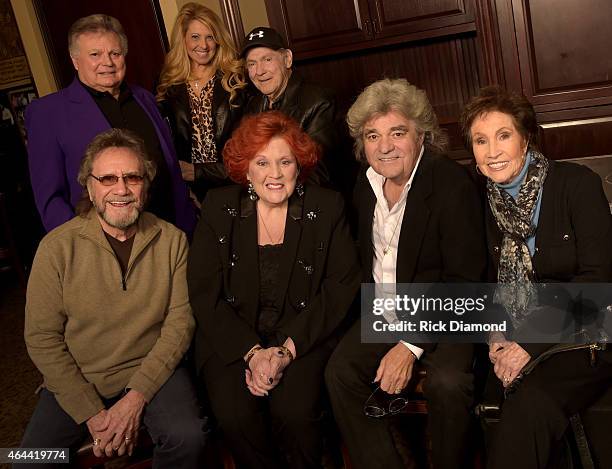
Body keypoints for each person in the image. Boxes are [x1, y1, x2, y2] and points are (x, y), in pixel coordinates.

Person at [20, 128, 206, 468]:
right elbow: (41, 338)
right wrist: (93, 414)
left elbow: (181, 324)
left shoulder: (172, 241)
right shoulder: (56, 248)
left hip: (152, 370)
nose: (120, 189)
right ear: (90, 188)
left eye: (132, 178)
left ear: (145, 187)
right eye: (107, 179)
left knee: (188, 436)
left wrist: (136, 398)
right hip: (78, 375)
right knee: (25, 460)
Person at [325, 78, 487, 469]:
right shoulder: (364, 186)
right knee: (339, 372)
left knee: (448, 384)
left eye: (397, 133)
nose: (384, 147)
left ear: (422, 136)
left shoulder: (450, 184)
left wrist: (410, 345)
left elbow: (464, 282)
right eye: (372, 135)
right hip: (384, 311)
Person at [188, 111, 360, 468]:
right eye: (262, 162)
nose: (275, 174)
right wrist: (252, 353)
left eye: (285, 161)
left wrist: (284, 351)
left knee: (295, 411)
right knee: (237, 416)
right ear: (246, 168)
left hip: (302, 334)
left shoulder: (327, 206)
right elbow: (205, 294)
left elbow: (340, 287)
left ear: (299, 165)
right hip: (233, 338)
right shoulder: (219, 208)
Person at [460, 86, 612, 469]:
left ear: (526, 138)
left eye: (503, 135)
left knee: (531, 404)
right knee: (486, 396)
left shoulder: (576, 184)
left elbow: (597, 282)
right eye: (481, 140)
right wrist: (496, 334)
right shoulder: (483, 201)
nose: (492, 151)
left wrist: (528, 340)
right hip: (519, 334)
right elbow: (488, 283)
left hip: (587, 333)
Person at [25, 14, 195, 235]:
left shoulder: (145, 98)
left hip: (170, 233)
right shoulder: (48, 113)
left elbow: (171, 170)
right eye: (95, 54)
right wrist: (83, 246)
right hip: (104, 246)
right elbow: (50, 199)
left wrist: (188, 225)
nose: (107, 62)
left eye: (115, 53)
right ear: (75, 60)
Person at [157, 2, 246, 202]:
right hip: (188, 191)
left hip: (232, 184)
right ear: (184, 40)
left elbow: (249, 146)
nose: (203, 46)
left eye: (210, 37)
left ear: (219, 40)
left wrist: (197, 171)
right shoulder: (169, 84)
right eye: (195, 37)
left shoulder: (236, 81)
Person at [241, 27, 341, 188]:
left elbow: (319, 174)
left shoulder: (319, 102)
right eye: (252, 64)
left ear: (287, 59)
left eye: (267, 59)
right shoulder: (253, 106)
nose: (259, 71)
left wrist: (270, 196)